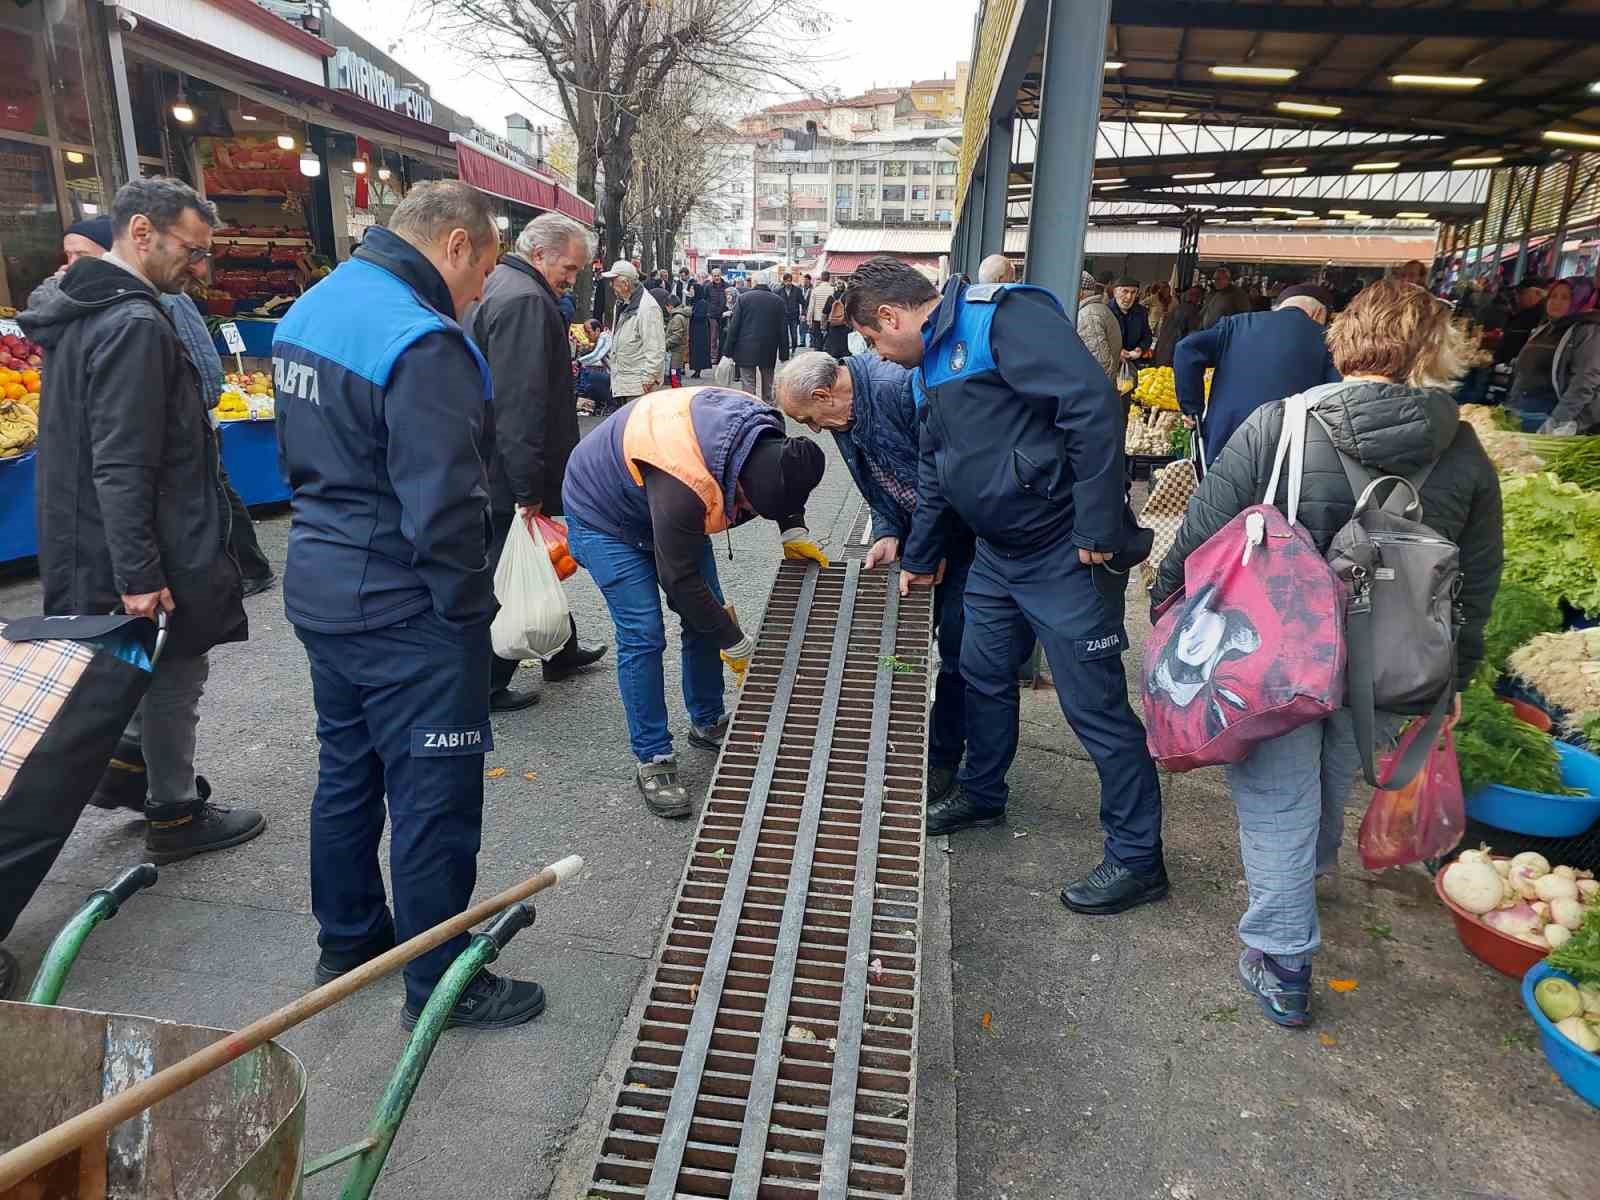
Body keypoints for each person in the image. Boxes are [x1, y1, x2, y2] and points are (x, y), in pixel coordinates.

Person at [1149, 280, 1503, 1027]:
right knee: (1334, 771)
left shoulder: (1280, 424)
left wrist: (1168, 609)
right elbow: (1476, 575)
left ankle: (1282, 959)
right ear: (1431, 352)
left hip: (1276, 653)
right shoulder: (1464, 449)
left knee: (1277, 794)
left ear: (1344, 341)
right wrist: (1456, 676)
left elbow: (1205, 528)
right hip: (1391, 659)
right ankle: (1305, 874)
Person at [273, 180, 544, 1031]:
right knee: (434, 797)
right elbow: (448, 508)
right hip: (404, 604)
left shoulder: (311, 309)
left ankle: (350, 939)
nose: (478, 295)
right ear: (456, 245)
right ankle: (438, 983)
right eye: (483, 273)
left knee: (348, 772)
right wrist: (469, 620)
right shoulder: (423, 342)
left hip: (323, 583)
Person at [845, 256, 1166, 916]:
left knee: (1095, 706)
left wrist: (1098, 523)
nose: (878, 352)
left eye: (875, 340)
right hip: (996, 554)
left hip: (1061, 551)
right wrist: (922, 555)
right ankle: (982, 791)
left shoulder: (1003, 319)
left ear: (891, 316)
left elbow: (1091, 407)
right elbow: (937, 466)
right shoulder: (928, 363)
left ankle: (1138, 857)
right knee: (979, 671)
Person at [20, 176, 264, 864]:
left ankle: (131, 769)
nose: (201, 266)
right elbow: (125, 461)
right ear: (142, 234)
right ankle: (175, 811)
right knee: (174, 673)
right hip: (138, 539)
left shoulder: (81, 310)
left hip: (88, 535)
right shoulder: (132, 323)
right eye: (192, 250)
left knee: (126, 672)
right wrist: (140, 572)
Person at [561, 387, 828, 817]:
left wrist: (792, 528)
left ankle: (706, 719)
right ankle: (653, 758)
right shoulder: (685, 479)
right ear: (737, 480)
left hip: (660, 498)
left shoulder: (764, 433)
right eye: (742, 504)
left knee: (707, 614)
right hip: (604, 513)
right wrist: (735, 642)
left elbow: (782, 475)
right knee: (644, 632)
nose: (740, 510)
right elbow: (679, 579)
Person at [27, 216, 276, 599]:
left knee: (214, 492)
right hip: (108, 537)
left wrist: (198, 411)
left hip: (176, 432)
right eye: (68, 254)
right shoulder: (75, 318)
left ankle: (248, 566)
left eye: (83, 253)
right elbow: (119, 463)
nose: (73, 264)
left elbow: (203, 362)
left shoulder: (153, 304)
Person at [775, 349, 972, 802]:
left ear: (825, 394)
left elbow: (938, 482)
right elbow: (877, 482)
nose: (812, 429)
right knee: (909, 642)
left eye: (808, 417)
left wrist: (926, 553)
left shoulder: (896, 390)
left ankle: (946, 759)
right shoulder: (844, 415)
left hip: (966, 537)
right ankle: (912, 739)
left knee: (963, 651)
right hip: (925, 537)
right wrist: (887, 530)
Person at [467, 211, 610, 713]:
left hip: (494, 458)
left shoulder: (501, 286)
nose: (572, 278)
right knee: (512, 566)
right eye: (569, 268)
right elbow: (521, 402)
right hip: (511, 467)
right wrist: (529, 487)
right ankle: (487, 677)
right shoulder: (527, 301)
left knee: (529, 559)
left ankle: (559, 647)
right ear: (539, 253)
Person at [1174, 284, 1340, 465]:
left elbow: (1186, 349)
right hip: (1289, 449)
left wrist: (1192, 410)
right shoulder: (1326, 340)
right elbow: (1336, 395)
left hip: (1225, 440)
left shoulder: (1236, 324)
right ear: (1318, 313)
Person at [1505, 279, 1600, 433]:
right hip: (1521, 410)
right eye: (1553, 296)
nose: (1556, 302)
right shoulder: (1545, 328)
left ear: (1580, 300)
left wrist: (1557, 422)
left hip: (1546, 416)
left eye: (1565, 298)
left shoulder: (1587, 332)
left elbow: (1583, 382)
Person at [603, 260, 665, 413]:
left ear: (625, 284)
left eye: (613, 281)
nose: (611, 286)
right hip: (627, 383)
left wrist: (648, 379)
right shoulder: (624, 303)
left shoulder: (647, 308)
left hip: (638, 386)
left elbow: (655, 348)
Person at [722, 273, 789, 402]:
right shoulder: (778, 301)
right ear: (768, 283)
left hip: (745, 348)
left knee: (748, 385)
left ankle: (751, 411)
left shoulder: (743, 299)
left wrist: (727, 352)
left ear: (754, 283)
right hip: (768, 349)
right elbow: (783, 330)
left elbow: (734, 327)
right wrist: (784, 355)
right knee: (768, 385)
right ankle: (769, 412)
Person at [1076, 271, 1121, 380]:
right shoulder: (1098, 308)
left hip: (1095, 390)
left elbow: (1101, 363)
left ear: (1080, 292)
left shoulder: (1088, 316)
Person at [1496, 279, 1549, 365]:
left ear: (1533, 293)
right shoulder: (1527, 313)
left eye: (1521, 293)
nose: (1517, 298)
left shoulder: (1535, 316)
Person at [1152, 284, 1202, 368]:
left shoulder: (1177, 308)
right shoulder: (1193, 311)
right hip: (1172, 354)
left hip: (1161, 352)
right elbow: (1193, 335)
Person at [1108, 276, 1153, 361]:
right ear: (1115, 293)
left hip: (1134, 362)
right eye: (1125, 291)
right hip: (1111, 362)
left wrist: (1140, 349)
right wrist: (1117, 351)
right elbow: (1100, 339)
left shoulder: (1141, 312)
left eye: (1133, 292)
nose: (1129, 297)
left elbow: (1147, 335)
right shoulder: (1106, 311)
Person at [664, 291, 690, 385]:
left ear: (670, 306)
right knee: (675, 376)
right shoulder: (680, 315)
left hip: (675, 353)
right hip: (678, 352)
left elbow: (676, 336)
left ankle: (677, 396)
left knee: (674, 378)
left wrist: (665, 344)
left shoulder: (677, 317)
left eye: (666, 307)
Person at [823, 275, 851, 359]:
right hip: (845, 325)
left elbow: (825, 312)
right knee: (844, 345)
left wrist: (823, 326)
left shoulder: (831, 297)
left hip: (832, 325)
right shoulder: (847, 298)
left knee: (833, 345)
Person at [688, 283, 712, 378]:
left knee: (698, 350)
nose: (691, 291)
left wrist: (691, 313)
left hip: (700, 330)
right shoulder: (695, 301)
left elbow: (700, 315)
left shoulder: (702, 302)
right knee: (694, 349)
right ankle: (696, 369)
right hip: (696, 329)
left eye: (692, 289)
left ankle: (698, 369)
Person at [807, 269, 835, 348]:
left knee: (818, 339)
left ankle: (818, 353)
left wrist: (809, 320)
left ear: (821, 278)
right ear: (829, 278)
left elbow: (811, 306)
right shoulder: (833, 290)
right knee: (828, 339)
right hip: (829, 318)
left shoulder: (815, 290)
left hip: (817, 318)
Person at [780, 272, 806, 348]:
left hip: (794, 316)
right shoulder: (779, 290)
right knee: (784, 334)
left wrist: (803, 314)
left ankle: (794, 349)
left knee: (794, 334)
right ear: (783, 281)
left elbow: (803, 303)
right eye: (786, 281)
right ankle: (785, 350)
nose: (788, 283)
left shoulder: (797, 290)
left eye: (789, 281)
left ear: (791, 280)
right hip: (783, 316)